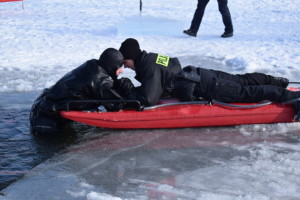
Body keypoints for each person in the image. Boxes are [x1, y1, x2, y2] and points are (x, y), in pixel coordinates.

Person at [119, 38, 300, 120]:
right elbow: (173, 66)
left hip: (205, 86)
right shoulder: (151, 57)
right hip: (202, 74)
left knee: (246, 93)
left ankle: (293, 98)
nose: (124, 65)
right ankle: (278, 81)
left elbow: (149, 99)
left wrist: (129, 90)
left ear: (131, 57)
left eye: (124, 61)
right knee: (243, 80)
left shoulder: (148, 68)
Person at [30, 48, 134, 134]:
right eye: (119, 67)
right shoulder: (101, 81)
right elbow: (116, 104)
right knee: (59, 148)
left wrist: (116, 83)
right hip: (47, 118)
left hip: (40, 105)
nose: (121, 70)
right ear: (112, 65)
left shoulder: (92, 65)